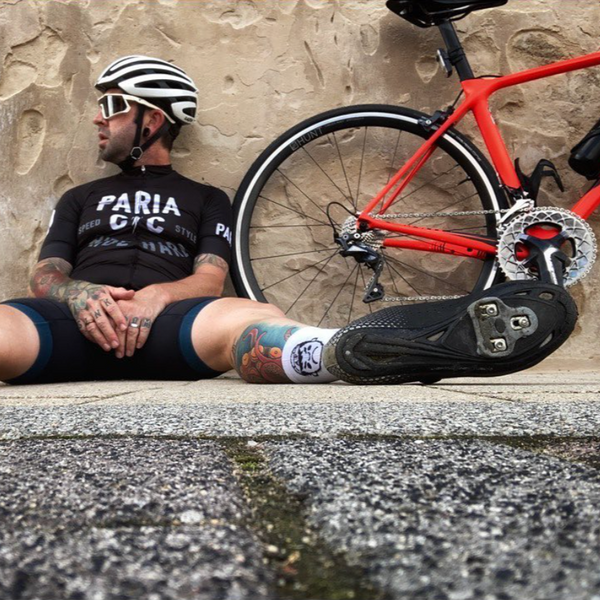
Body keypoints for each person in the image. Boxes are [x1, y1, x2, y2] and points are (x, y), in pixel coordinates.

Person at [0, 55, 578, 386]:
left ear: (152, 118)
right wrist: (78, 294)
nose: (99, 123)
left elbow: (206, 281)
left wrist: (153, 298)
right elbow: (47, 274)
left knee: (256, 320)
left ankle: (366, 350)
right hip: (68, 324)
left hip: (171, 326)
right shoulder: (81, 196)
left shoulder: (206, 198)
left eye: (111, 107)